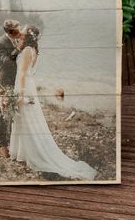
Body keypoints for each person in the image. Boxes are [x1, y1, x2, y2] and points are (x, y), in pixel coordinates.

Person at [9, 25, 97, 180]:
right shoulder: (31, 49)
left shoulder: (28, 51)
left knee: (27, 119)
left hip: (24, 87)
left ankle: (33, 154)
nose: (20, 32)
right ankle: (22, 152)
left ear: (28, 35)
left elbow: (22, 73)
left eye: (23, 31)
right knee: (22, 119)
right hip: (26, 85)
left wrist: (20, 94)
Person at [0, 19, 21, 158]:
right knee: (3, 114)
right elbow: (5, 63)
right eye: (18, 29)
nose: (20, 31)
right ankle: (2, 145)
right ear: (10, 32)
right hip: (4, 83)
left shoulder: (19, 39)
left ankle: (14, 143)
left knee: (15, 113)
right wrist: (18, 49)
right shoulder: (0, 43)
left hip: (18, 82)